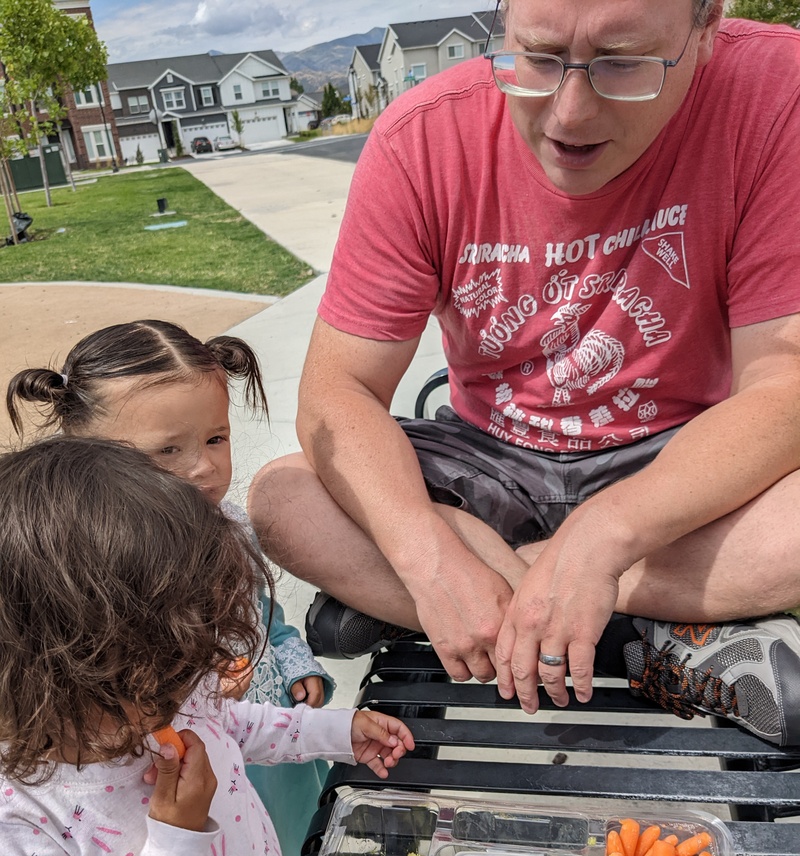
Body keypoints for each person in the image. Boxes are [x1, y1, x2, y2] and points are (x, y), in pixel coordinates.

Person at [247, 0, 800, 747]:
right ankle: (658, 633)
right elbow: (335, 395)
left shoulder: (775, 91)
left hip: (681, 461)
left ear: (706, 30)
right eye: (538, 58)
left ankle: (468, 601)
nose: (569, 114)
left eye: (622, 62)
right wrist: (425, 550)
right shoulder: (421, 138)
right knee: (283, 497)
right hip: (489, 461)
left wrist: (603, 538)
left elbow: (783, 382)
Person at [0, 437, 414, 856]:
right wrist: (173, 841)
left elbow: (234, 726)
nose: (200, 678)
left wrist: (338, 733)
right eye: (171, 671)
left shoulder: (163, 694)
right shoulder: (27, 818)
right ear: (60, 674)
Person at [6, 320, 335, 856]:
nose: (203, 467)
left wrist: (294, 658)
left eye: (216, 438)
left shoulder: (230, 525)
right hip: (193, 761)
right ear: (88, 458)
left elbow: (265, 614)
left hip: (274, 729)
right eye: (166, 451)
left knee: (297, 845)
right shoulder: (94, 574)